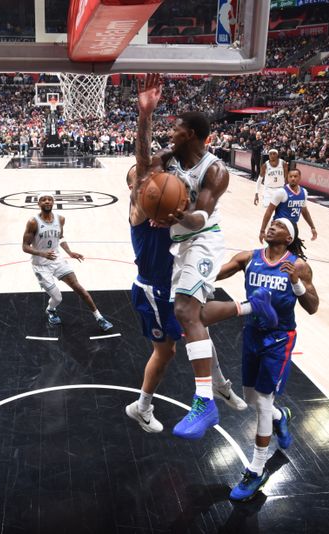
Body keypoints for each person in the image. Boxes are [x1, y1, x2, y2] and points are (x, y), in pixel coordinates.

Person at [134, 73, 235, 440]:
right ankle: (250, 309)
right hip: (180, 245)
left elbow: (201, 216)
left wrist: (177, 215)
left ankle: (205, 401)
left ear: (191, 134)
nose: (171, 134)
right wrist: (144, 115)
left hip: (204, 238)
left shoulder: (215, 170)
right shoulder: (169, 156)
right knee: (194, 316)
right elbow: (143, 167)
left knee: (185, 312)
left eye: (175, 129)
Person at [124, 163, 256, 433]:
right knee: (166, 351)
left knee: (199, 329)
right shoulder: (138, 210)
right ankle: (142, 407)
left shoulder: (172, 207)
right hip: (154, 292)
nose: (151, 181)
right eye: (141, 179)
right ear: (133, 188)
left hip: (175, 284)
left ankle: (219, 386)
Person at [201, 219, 319, 501]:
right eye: (270, 225)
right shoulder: (248, 258)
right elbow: (213, 276)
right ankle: (282, 417)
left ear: (288, 237)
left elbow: (313, 307)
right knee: (252, 398)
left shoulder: (298, 265)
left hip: (279, 339)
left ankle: (256, 470)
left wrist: (297, 285)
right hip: (253, 332)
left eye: (278, 226)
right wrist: (191, 268)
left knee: (263, 403)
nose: (271, 227)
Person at [21, 192, 113, 331]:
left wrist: (69, 252)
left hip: (57, 260)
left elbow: (61, 237)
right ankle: (51, 310)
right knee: (57, 298)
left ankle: (99, 317)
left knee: (79, 287)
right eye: (43, 200)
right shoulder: (33, 222)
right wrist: (42, 253)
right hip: (40, 265)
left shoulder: (60, 219)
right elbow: (25, 246)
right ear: (39, 203)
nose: (47, 202)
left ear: (53, 202)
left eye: (49, 199)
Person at [258, 168, 318, 243]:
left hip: (292, 226)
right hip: (279, 226)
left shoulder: (304, 192)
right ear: (287, 178)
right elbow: (269, 211)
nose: (293, 178)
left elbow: (304, 211)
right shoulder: (281, 192)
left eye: (295, 176)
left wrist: (312, 227)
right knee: (276, 251)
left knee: (293, 252)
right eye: (291, 176)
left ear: (300, 177)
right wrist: (262, 230)